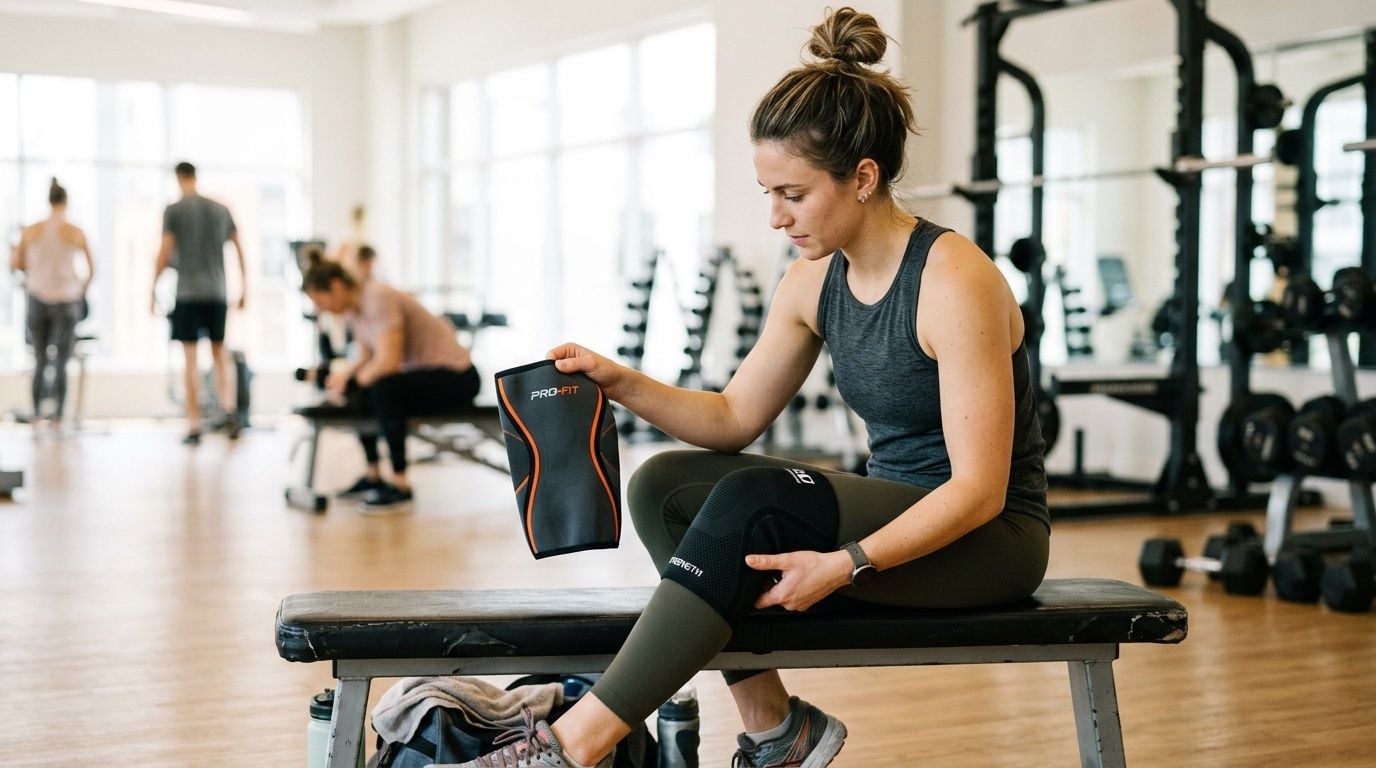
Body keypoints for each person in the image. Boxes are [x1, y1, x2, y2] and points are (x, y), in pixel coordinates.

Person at [448, 8, 1049, 768]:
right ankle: (778, 730)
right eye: (767, 192)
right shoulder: (811, 282)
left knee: (753, 501)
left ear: (863, 178)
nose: (774, 217)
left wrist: (845, 563)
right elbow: (733, 417)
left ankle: (570, 748)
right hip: (896, 511)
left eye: (792, 194)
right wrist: (619, 380)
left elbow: (979, 493)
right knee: (665, 485)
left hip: (987, 543)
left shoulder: (953, 279)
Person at [300, 251, 481, 509]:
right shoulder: (354, 310)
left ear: (337, 287)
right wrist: (344, 378)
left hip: (458, 378)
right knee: (364, 390)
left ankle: (400, 483)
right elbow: (365, 357)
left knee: (384, 388)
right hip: (426, 376)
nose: (320, 308)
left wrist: (355, 382)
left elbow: (388, 362)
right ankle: (374, 475)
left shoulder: (377, 297)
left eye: (320, 300)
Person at [151, 161, 247, 444]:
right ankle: (228, 411)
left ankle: (194, 425)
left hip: (188, 293)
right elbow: (240, 250)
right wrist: (245, 288)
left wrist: (151, 287)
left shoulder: (175, 210)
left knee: (190, 359)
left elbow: (165, 250)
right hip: (218, 292)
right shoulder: (221, 209)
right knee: (220, 354)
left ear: (180, 178)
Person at [9, 178, 94, 433]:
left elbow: (15, 263)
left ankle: (37, 416)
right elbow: (92, 269)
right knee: (61, 361)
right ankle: (57, 417)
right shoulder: (74, 231)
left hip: (38, 298)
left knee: (40, 359)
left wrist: (36, 273)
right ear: (65, 202)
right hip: (67, 301)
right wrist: (80, 290)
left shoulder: (32, 231)